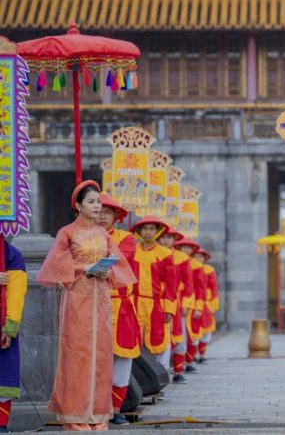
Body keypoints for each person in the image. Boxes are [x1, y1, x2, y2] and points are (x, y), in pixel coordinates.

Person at [37, 180, 136, 431]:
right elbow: (55, 266)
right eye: (91, 202)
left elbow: (120, 266)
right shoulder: (67, 233)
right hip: (77, 300)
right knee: (77, 355)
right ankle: (76, 417)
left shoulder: (104, 235)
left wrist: (107, 271)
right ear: (78, 205)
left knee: (102, 356)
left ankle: (98, 415)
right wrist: (84, 268)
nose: (97, 207)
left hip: (101, 300)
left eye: (99, 202)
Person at [96, 193, 139, 425]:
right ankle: (96, 407)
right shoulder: (82, 236)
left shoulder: (126, 238)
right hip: (92, 304)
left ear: (116, 217)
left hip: (120, 305)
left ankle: (115, 408)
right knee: (94, 358)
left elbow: (120, 260)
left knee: (122, 359)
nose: (102, 216)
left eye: (108, 212)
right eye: (99, 211)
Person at [131, 216, 176, 372]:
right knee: (134, 339)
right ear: (139, 231)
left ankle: (161, 376)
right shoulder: (132, 251)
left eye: (151, 229)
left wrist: (169, 308)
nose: (148, 232)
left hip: (156, 303)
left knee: (159, 340)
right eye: (145, 229)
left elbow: (171, 284)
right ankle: (138, 377)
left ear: (157, 231)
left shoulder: (165, 253)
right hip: (134, 303)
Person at [157, 227, 195, 384]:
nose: (165, 240)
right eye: (163, 237)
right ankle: (157, 373)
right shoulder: (152, 253)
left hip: (175, 301)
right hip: (155, 300)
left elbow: (188, 284)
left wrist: (187, 304)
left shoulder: (182, 258)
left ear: (174, 240)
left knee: (179, 335)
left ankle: (178, 371)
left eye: (169, 237)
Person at [0, 240, 27, 434]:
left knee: (3, 375)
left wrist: (10, 327)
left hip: (2, 322)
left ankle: (1, 423)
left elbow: (17, 291)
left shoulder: (11, 254)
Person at [174, 238, 205, 371]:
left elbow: (200, 288)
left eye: (189, 247)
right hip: (174, 300)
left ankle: (188, 362)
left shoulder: (197, 266)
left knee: (191, 333)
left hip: (189, 304)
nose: (186, 250)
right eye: (183, 247)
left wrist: (198, 307)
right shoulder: (172, 259)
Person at [197, 249, 218, 363]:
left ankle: (202, 355)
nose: (198, 259)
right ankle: (192, 356)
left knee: (206, 330)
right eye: (196, 256)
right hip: (194, 303)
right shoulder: (191, 267)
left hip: (207, 304)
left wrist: (213, 305)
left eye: (200, 256)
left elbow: (213, 288)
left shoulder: (209, 270)